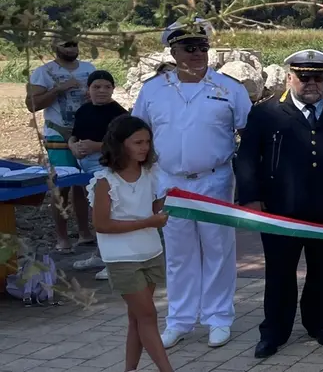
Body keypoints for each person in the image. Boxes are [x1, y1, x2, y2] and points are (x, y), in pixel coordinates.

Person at [234, 50, 323, 359]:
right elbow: (248, 157)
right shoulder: (266, 112)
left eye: (318, 77)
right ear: (289, 78)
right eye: (304, 77)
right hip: (280, 209)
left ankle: (320, 323)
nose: (311, 83)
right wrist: (251, 197)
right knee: (280, 273)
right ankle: (274, 332)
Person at [134, 18, 251, 349]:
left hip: (215, 180)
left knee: (217, 249)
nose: (197, 53)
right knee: (179, 252)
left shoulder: (229, 88)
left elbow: (249, 133)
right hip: (170, 182)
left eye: (202, 47)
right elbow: (137, 132)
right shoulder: (153, 89)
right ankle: (180, 319)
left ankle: (218, 317)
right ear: (173, 51)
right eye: (189, 47)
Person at [86, 115, 172, 372]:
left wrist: (172, 203)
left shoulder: (152, 173)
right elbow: (102, 225)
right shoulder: (105, 181)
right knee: (148, 316)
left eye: (147, 141)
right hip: (122, 258)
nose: (145, 147)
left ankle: (129, 370)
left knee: (137, 317)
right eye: (137, 142)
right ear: (120, 144)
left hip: (151, 252)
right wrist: (148, 222)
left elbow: (156, 208)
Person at [26, 37, 96, 253]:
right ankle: (62, 238)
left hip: (86, 131)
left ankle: (85, 234)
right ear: (54, 47)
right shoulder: (43, 72)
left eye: (74, 43)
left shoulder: (89, 68)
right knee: (62, 185)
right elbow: (32, 105)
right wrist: (59, 89)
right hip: (58, 133)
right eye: (66, 44)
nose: (71, 48)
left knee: (84, 185)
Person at [68, 70, 128, 280]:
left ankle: (114, 261)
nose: (101, 91)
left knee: (107, 212)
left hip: (105, 165)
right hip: (83, 164)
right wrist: (72, 145)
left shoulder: (119, 114)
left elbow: (125, 144)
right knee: (96, 212)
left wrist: (97, 146)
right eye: (96, 87)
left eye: (106, 87)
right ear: (88, 89)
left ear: (113, 89)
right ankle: (100, 254)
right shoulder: (83, 110)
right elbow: (74, 134)